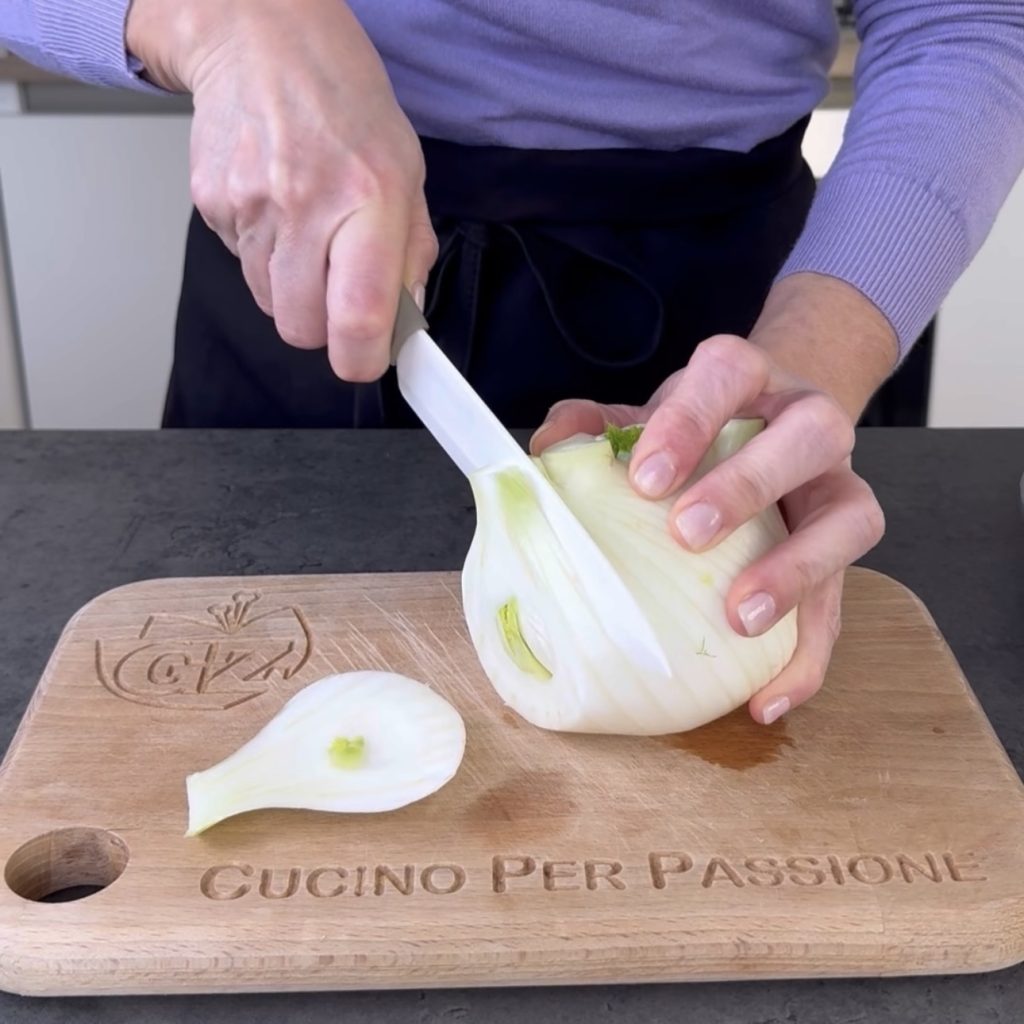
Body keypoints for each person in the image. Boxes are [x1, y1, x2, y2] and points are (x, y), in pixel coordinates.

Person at [4, 1, 1023, 728]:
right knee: (225, 684)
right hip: (306, 221)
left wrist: (815, 347)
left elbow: (969, 18)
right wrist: (204, 17)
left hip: (740, 297)